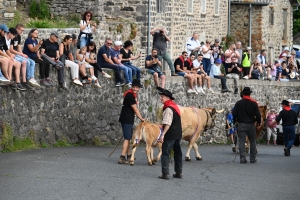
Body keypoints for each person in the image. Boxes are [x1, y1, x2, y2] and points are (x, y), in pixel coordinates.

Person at [118, 79, 145, 164]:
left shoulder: (131, 94)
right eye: (134, 87)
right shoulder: (130, 95)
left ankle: (129, 156)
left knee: (128, 138)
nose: (135, 89)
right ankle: (122, 157)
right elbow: (135, 110)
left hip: (126, 118)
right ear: (132, 87)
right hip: (127, 119)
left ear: (139, 88)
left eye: (137, 87)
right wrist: (142, 118)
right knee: (127, 139)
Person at [158, 89, 182, 180]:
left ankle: (165, 173)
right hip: (178, 133)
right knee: (177, 153)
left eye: (162, 97)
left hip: (170, 134)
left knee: (165, 153)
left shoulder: (168, 108)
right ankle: (178, 172)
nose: (161, 98)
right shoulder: (175, 107)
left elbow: (168, 123)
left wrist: (163, 134)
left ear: (167, 98)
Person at [232, 87, 261, 164]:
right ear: (250, 94)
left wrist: (234, 121)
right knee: (252, 141)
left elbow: (234, 114)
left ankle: (242, 158)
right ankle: (252, 158)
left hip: (241, 124)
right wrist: (258, 122)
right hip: (251, 124)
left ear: (243, 94)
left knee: (242, 141)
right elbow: (258, 115)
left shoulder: (238, 103)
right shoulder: (254, 103)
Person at [9, 24, 40, 88]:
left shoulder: (19, 37)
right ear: (17, 29)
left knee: (32, 62)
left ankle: (31, 78)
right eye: (21, 30)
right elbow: (11, 49)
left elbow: (19, 47)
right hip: (13, 54)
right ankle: (25, 80)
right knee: (26, 62)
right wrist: (21, 54)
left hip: (17, 54)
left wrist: (22, 54)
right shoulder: (13, 36)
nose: (22, 32)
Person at [0, 25, 23, 90]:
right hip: (1, 55)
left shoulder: (2, 38)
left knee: (10, 60)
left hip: (2, 54)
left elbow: (6, 49)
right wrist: (7, 56)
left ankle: (10, 79)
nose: (5, 33)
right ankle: (7, 78)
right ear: (0, 30)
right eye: (4, 32)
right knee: (5, 61)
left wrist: (10, 56)